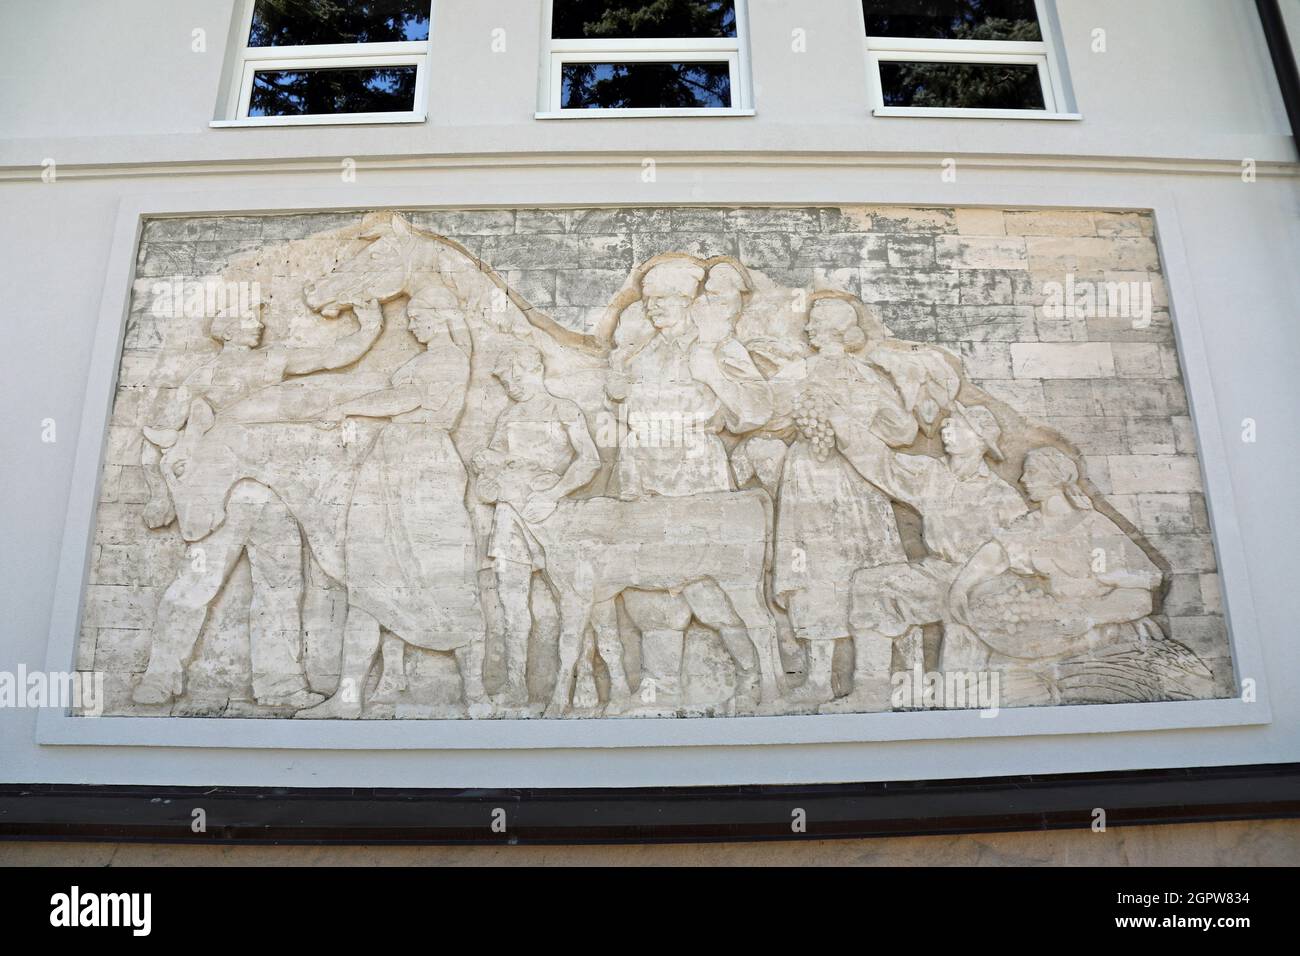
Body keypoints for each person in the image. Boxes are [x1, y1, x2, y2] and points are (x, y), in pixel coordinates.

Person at [133, 299, 383, 708]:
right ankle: (160, 676)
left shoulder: (274, 359)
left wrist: (369, 328)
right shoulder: (201, 378)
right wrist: (160, 494)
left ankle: (279, 686)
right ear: (228, 329)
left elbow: (334, 356)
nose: (258, 325)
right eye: (248, 319)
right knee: (196, 584)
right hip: (219, 495)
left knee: (282, 589)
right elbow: (158, 437)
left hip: (273, 492)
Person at [298, 284, 487, 718]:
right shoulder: (432, 357)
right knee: (370, 583)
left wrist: (349, 407)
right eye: (413, 317)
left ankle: (476, 695)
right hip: (394, 463)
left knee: (447, 582)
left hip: (422, 467)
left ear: (443, 315)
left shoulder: (448, 358)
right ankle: (347, 699)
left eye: (421, 316)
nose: (414, 323)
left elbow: (408, 398)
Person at [768, 295, 918, 706]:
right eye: (810, 322)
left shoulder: (864, 376)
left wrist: (853, 416)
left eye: (816, 322)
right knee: (816, 573)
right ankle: (819, 679)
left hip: (857, 477)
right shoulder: (800, 372)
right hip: (813, 475)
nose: (809, 328)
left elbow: (903, 430)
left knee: (866, 569)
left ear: (835, 329)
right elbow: (768, 418)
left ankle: (873, 678)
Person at [831, 401, 1029, 711]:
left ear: (979, 440)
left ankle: (959, 700)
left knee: (958, 697)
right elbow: (884, 464)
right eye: (946, 423)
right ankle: (871, 691)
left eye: (957, 425)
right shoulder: (931, 474)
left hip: (979, 583)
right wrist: (841, 423)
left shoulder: (1002, 495)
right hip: (936, 573)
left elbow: (1023, 551)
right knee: (871, 584)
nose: (945, 429)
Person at [473, 343, 610, 711]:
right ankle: (516, 683)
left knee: (575, 598)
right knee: (511, 603)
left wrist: (556, 492)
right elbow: (493, 471)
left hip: (554, 513)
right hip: (510, 515)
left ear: (534, 368)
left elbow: (590, 461)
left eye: (515, 374)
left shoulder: (564, 409)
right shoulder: (507, 416)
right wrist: (488, 465)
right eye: (504, 379)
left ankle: (583, 674)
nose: (511, 384)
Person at [946, 446, 1163, 664]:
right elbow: (995, 554)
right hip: (1052, 626)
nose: (1023, 479)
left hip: (1098, 631)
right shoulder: (1029, 525)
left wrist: (1092, 617)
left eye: (1032, 472)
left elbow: (1140, 597)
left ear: (1055, 477)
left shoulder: (1094, 525)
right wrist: (961, 587)